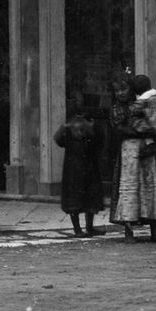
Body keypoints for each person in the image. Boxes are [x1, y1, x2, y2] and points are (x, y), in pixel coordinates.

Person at [108, 73, 156, 241]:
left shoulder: (142, 103)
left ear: (132, 89)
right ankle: (129, 232)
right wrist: (144, 130)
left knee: (151, 189)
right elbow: (121, 128)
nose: (121, 93)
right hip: (129, 153)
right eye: (117, 90)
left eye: (124, 89)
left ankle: (154, 231)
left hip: (148, 151)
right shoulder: (117, 108)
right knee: (129, 190)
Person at [55, 92, 109, 236]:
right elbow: (59, 140)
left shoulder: (80, 125)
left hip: (80, 166)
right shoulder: (74, 126)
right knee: (80, 198)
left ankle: (85, 228)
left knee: (85, 197)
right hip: (80, 166)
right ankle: (81, 229)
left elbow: (59, 140)